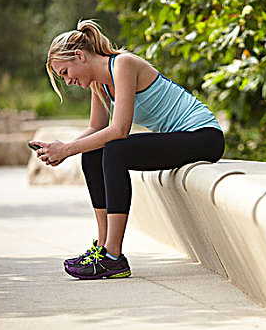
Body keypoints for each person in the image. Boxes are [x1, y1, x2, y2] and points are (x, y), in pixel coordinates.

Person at [30, 19, 224, 280]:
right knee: (94, 152)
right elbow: (96, 130)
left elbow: (120, 130)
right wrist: (61, 148)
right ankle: (102, 248)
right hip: (180, 138)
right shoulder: (99, 83)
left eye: (65, 73)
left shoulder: (123, 64)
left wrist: (67, 150)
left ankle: (113, 256)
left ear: (79, 56)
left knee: (115, 151)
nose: (68, 81)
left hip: (203, 136)